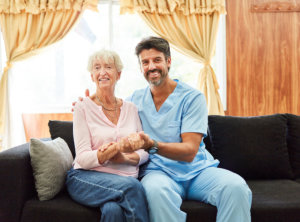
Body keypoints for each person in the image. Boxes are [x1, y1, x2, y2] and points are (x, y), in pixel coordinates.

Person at [77, 37, 252, 222]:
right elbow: (108, 108)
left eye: (157, 60)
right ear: (141, 68)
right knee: (155, 192)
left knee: (236, 188)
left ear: (168, 61)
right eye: (145, 62)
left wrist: (152, 144)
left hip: (198, 172)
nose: (151, 66)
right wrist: (85, 104)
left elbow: (190, 151)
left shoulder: (192, 98)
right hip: (158, 173)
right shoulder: (133, 102)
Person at [66, 49, 149, 222]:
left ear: (118, 74)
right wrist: (110, 151)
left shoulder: (131, 109)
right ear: (92, 76)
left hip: (123, 178)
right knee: (133, 187)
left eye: (108, 67)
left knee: (113, 211)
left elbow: (144, 151)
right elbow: (82, 158)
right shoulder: (82, 108)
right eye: (97, 68)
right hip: (87, 178)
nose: (102, 72)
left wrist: (124, 157)